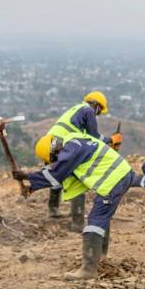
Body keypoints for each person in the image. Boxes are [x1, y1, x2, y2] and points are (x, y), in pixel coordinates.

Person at [15, 132, 133, 280]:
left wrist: (27, 176)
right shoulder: (74, 144)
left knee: (95, 221)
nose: (55, 163)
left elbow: (57, 174)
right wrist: (32, 187)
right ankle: (101, 257)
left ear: (54, 152)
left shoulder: (71, 149)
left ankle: (89, 270)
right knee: (102, 216)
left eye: (53, 160)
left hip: (113, 180)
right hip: (120, 175)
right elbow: (62, 177)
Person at [43, 91, 122, 228]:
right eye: (99, 111)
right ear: (96, 105)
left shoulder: (76, 110)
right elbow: (94, 137)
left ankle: (53, 210)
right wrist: (111, 140)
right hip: (61, 144)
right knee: (77, 179)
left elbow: (86, 138)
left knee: (57, 175)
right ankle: (78, 224)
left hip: (49, 144)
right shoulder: (88, 110)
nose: (98, 115)